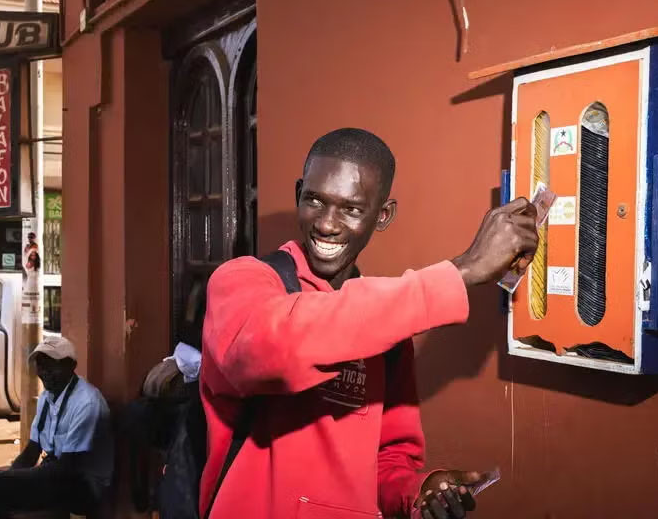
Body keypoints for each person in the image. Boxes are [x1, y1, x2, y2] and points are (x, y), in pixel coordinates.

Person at [200, 128, 538, 519]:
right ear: (298, 195)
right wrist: (460, 272)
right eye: (315, 200)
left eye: (351, 209)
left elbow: (387, 461)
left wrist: (418, 492)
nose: (327, 224)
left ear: (383, 215)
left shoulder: (388, 324)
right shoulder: (241, 281)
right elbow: (272, 351)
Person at [0, 336, 113, 518]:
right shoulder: (47, 397)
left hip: (83, 484)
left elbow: (68, 466)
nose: (45, 372)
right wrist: (10, 477)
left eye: (52, 365)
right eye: (41, 365)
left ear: (70, 366)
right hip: (56, 473)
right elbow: (32, 451)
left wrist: (12, 482)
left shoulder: (87, 402)